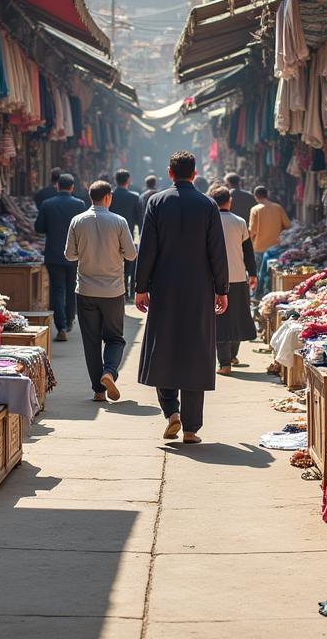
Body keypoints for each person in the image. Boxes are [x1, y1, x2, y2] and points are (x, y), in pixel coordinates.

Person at [135, 151, 229, 444]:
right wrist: (222, 289)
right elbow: (217, 251)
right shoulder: (207, 204)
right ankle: (190, 428)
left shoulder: (157, 202)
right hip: (199, 288)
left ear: (170, 172)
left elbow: (147, 247)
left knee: (163, 346)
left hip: (164, 287)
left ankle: (170, 412)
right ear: (195, 173)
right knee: (195, 351)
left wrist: (140, 286)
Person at [64, 180, 137, 402]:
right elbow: (131, 255)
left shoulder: (77, 221)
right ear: (108, 197)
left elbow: (69, 255)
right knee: (115, 338)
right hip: (113, 290)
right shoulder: (119, 221)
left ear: (90, 197)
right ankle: (109, 372)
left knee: (91, 341)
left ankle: (98, 390)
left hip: (85, 289)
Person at [208, 185, 258, 375]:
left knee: (220, 319)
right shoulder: (240, 222)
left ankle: (225, 363)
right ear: (229, 201)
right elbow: (248, 251)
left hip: (214, 279)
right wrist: (253, 274)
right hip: (238, 276)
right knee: (237, 316)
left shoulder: (208, 222)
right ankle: (232, 355)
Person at [34, 173, 85, 341]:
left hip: (54, 254)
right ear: (72, 187)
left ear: (57, 186)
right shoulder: (79, 204)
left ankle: (60, 326)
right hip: (75, 254)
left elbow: (39, 227)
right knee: (71, 287)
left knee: (57, 289)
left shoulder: (47, 204)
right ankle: (70, 321)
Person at [108, 169, 140, 301]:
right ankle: (127, 292)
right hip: (128, 235)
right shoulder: (134, 197)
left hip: (110, 236)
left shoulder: (109, 196)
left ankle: (116, 291)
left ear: (115, 180)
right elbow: (138, 218)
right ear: (128, 181)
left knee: (113, 264)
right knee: (129, 264)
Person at [248, 184, 291, 259]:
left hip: (259, 247)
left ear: (255, 196)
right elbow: (288, 225)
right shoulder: (278, 207)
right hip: (276, 247)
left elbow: (252, 230)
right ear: (267, 195)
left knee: (260, 270)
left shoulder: (255, 209)